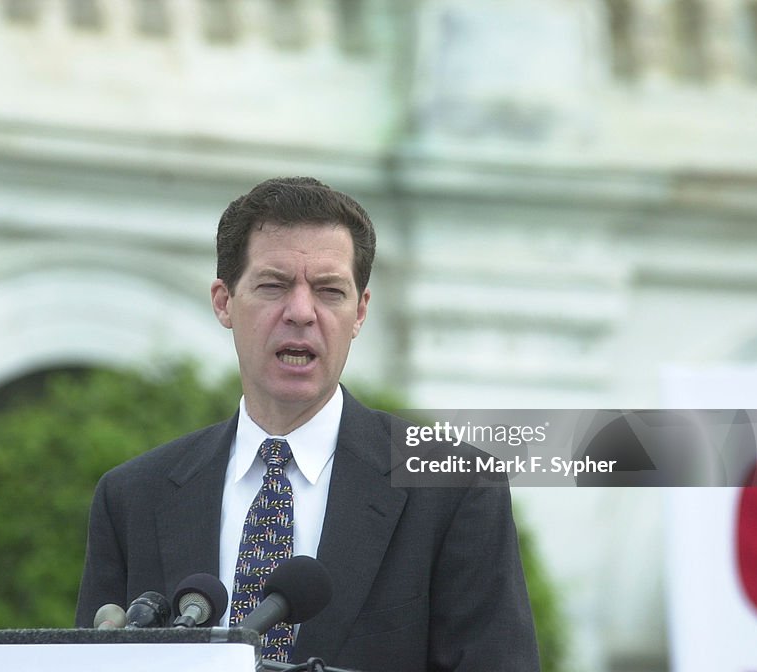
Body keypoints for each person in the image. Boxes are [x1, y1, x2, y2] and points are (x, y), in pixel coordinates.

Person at [75, 177, 540, 671]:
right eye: (273, 285)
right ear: (223, 301)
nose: (301, 312)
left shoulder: (454, 487)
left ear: (360, 312)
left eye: (329, 291)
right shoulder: (133, 497)